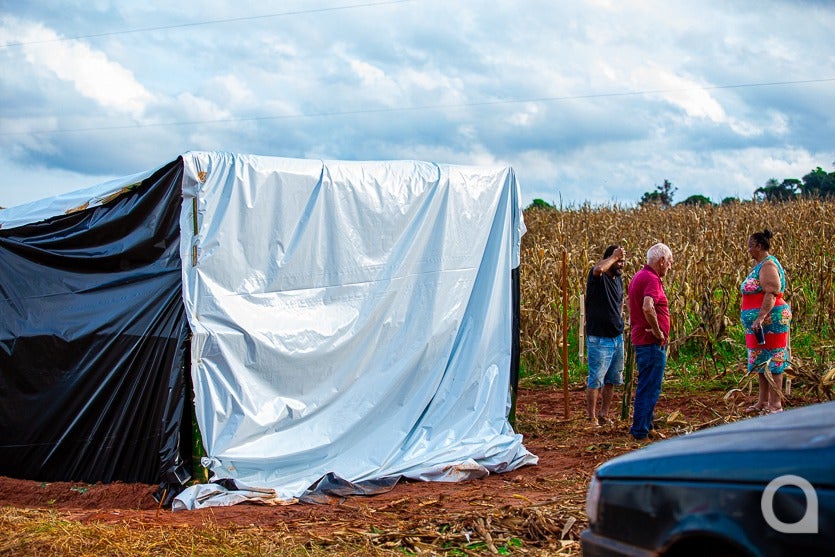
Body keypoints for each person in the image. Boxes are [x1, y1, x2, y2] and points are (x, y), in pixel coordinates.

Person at [741, 229, 792, 414]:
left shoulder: (768, 265)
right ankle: (762, 402)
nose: (748, 250)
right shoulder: (759, 265)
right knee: (761, 361)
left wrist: (761, 317)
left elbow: (772, 291)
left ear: (759, 246)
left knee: (775, 360)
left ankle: (775, 404)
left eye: (750, 246)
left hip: (771, 321)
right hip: (759, 323)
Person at [628, 243, 673, 441]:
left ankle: (648, 424)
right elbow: (648, 307)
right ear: (661, 261)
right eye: (669, 263)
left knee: (648, 385)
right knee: (649, 387)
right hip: (650, 342)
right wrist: (658, 332)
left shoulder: (639, 276)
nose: (670, 267)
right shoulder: (652, 279)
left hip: (643, 340)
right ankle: (640, 431)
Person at [584, 245, 626, 427]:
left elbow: (620, 302)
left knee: (612, 379)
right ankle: (591, 417)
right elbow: (599, 269)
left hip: (616, 336)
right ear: (609, 259)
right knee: (596, 379)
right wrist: (614, 257)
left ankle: (604, 414)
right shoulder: (597, 278)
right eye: (619, 261)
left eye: (623, 261)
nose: (622, 264)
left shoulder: (618, 280)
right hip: (599, 338)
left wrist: (621, 320)